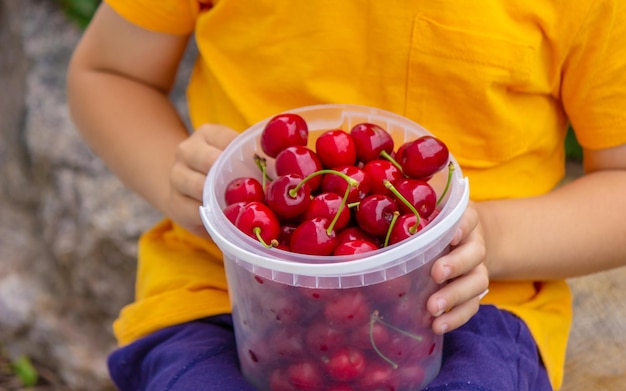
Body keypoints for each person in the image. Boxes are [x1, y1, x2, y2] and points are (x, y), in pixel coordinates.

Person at [66, 1, 626, 390]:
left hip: (464, 309)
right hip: (225, 294)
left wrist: (490, 237)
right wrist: (183, 179)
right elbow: (109, 72)